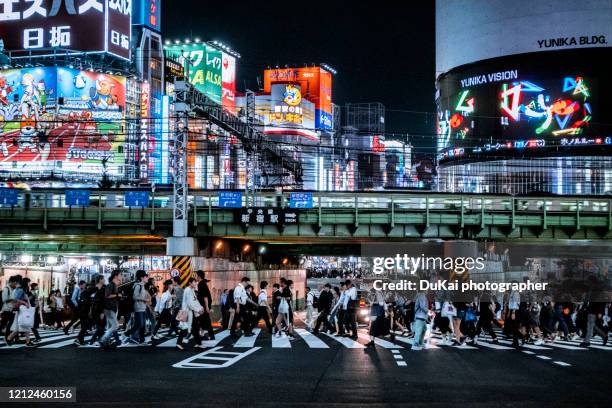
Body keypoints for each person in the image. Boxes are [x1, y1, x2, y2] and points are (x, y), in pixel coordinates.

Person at [5, 275, 34, 347]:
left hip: (22, 309)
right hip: (20, 310)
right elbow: (15, 299)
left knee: (26, 326)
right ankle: (9, 338)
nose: (29, 284)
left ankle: (28, 341)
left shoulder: (21, 290)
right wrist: (24, 302)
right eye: (29, 283)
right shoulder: (20, 290)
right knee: (19, 327)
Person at [176, 278, 204, 350]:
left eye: (196, 282)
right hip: (188, 312)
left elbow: (195, 300)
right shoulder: (188, 290)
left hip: (191, 312)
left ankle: (198, 343)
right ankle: (179, 343)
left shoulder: (191, 290)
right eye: (194, 282)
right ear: (190, 283)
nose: (196, 283)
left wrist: (200, 307)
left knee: (195, 327)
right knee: (185, 328)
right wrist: (198, 310)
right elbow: (190, 303)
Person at [100, 270, 122, 350]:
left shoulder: (114, 285)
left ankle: (105, 344)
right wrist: (117, 295)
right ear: (116, 276)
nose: (121, 276)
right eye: (120, 275)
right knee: (115, 325)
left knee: (109, 326)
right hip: (109, 309)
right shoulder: (110, 285)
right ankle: (103, 340)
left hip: (112, 308)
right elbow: (107, 295)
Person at [128, 270, 150, 345]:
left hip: (142, 307)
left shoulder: (142, 286)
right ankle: (126, 334)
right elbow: (135, 297)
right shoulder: (138, 286)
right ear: (142, 278)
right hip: (138, 308)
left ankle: (142, 340)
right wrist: (144, 299)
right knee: (140, 324)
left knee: (142, 325)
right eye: (146, 277)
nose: (147, 278)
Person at [196, 270, 215, 341]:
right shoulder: (202, 283)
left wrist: (207, 307)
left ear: (199, 276)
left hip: (204, 306)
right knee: (202, 320)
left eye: (196, 275)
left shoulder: (201, 284)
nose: (195, 277)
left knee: (205, 320)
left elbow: (205, 297)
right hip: (203, 306)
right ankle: (203, 334)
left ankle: (210, 335)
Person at [88, 275, 107, 346]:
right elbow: (92, 301)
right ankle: (94, 340)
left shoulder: (104, 288)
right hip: (95, 310)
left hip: (102, 309)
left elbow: (104, 300)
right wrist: (90, 310)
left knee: (102, 326)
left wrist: (103, 311)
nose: (104, 280)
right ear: (100, 280)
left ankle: (99, 340)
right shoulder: (93, 289)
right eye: (103, 279)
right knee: (100, 326)